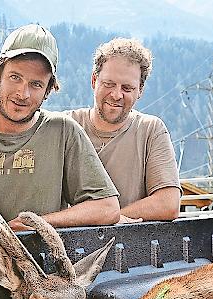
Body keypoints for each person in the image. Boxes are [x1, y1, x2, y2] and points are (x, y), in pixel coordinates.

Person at [0, 24, 120, 232]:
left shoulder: (62, 132)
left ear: (48, 90)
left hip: (39, 261)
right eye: (15, 77)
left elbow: (108, 208)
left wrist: (36, 223)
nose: (22, 94)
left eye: (36, 84)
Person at [68, 38, 181, 222]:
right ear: (94, 80)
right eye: (109, 84)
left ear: (140, 90)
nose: (116, 94)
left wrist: (110, 217)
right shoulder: (67, 126)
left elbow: (168, 203)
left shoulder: (151, 130)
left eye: (127, 88)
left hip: (129, 246)